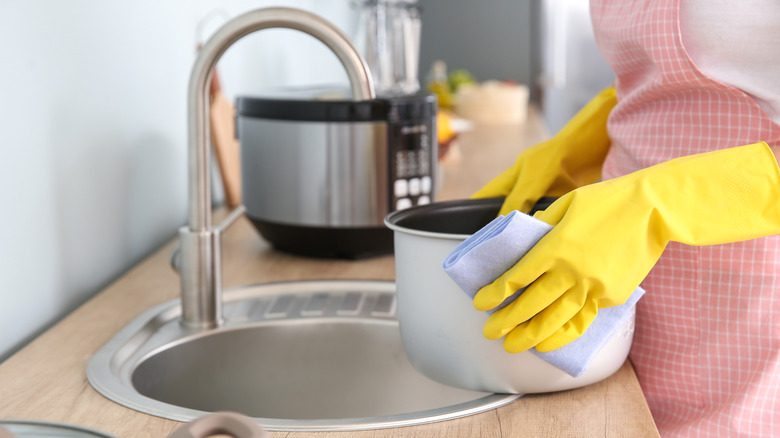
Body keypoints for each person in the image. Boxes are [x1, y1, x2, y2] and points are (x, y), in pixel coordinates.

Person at [471, 1, 780, 436]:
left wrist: (662, 203)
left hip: (746, 291)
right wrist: (586, 139)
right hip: (606, 266)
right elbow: (655, 69)